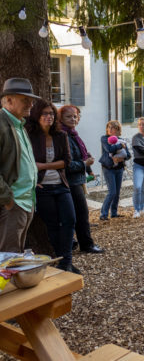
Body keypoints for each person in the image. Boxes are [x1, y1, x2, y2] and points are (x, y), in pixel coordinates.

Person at [26, 99, 78, 273]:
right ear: (37, 116)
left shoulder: (60, 136)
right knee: (53, 225)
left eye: (51, 114)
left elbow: (67, 162)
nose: (49, 117)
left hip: (61, 185)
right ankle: (63, 260)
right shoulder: (29, 136)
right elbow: (27, 163)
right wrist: (36, 175)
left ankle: (66, 261)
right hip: (42, 188)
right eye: (45, 113)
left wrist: (43, 165)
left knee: (70, 220)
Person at [0, 78, 39, 253]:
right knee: (7, 258)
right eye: (25, 99)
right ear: (8, 100)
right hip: (12, 203)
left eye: (31, 100)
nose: (31, 104)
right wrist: (7, 199)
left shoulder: (19, 124)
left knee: (15, 255)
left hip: (25, 201)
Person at [59, 105, 104, 254]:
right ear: (61, 118)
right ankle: (86, 245)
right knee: (80, 214)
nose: (73, 119)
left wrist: (86, 161)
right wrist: (85, 164)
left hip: (76, 180)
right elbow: (67, 164)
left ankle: (74, 242)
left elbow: (78, 155)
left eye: (75, 116)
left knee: (75, 214)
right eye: (68, 116)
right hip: (70, 181)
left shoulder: (73, 135)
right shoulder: (63, 135)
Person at [99, 120, 130, 220]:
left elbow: (128, 155)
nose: (110, 130)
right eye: (109, 127)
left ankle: (114, 213)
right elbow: (109, 149)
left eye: (113, 128)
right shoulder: (104, 139)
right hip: (108, 168)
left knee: (117, 192)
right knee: (112, 192)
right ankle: (103, 214)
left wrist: (121, 158)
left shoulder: (122, 139)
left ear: (117, 130)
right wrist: (121, 146)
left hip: (119, 168)